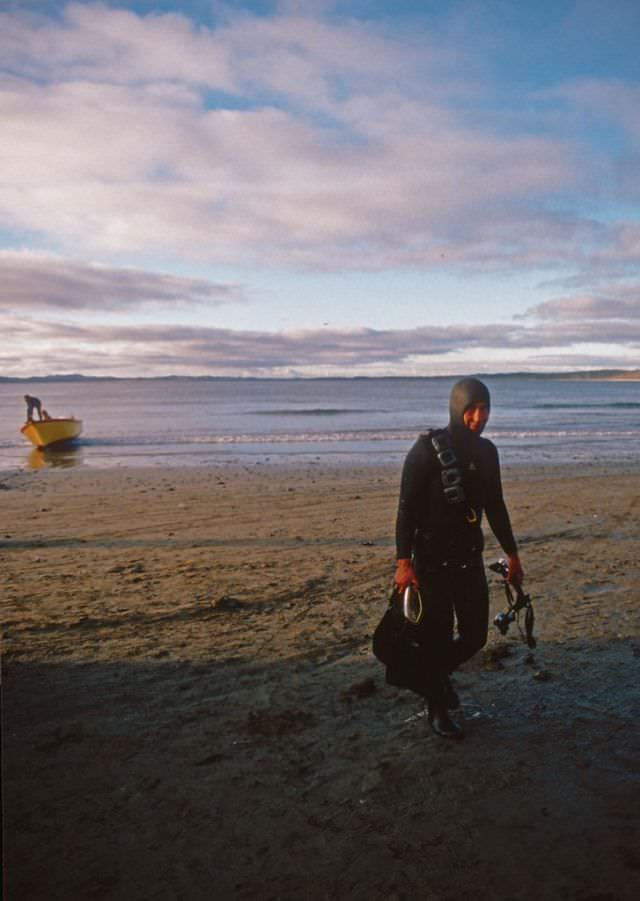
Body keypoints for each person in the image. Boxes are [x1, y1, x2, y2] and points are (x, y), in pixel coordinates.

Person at [392, 377, 523, 739]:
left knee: (474, 637)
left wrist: (513, 554)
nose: (478, 417)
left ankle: (429, 676)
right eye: (471, 409)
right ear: (457, 408)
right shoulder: (425, 451)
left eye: (485, 409)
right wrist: (404, 563)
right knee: (435, 637)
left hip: (469, 559)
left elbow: (495, 507)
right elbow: (406, 511)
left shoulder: (487, 453)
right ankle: (436, 703)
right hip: (431, 564)